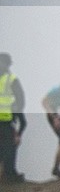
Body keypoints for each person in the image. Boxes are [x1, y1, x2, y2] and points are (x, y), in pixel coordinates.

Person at [0, 53, 27, 184]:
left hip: (7, 119)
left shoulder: (12, 79)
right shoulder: (12, 79)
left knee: (9, 147)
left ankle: (9, 174)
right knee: (8, 148)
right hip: (6, 119)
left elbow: (20, 99)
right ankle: (9, 175)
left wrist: (17, 113)